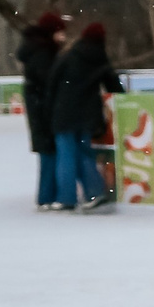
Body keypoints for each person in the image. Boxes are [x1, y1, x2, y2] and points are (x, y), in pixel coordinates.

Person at [49, 21, 122, 211]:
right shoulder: (100, 58)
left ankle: (67, 198)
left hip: (64, 112)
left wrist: (50, 108)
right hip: (87, 114)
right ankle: (95, 193)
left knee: (65, 155)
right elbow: (113, 84)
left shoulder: (68, 55)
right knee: (85, 153)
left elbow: (53, 83)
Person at [17, 11, 66, 209]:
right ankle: (46, 196)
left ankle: (47, 195)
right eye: (60, 32)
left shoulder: (39, 49)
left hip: (39, 107)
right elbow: (47, 81)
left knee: (47, 152)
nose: (63, 37)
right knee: (48, 152)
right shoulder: (43, 52)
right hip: (43, 109)